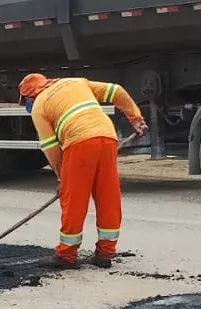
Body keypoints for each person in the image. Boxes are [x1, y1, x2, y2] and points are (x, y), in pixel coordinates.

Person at [18, 72, 149, 270]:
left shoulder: (39, 106)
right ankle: (105, 254)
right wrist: (135, 118)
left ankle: (66, 255)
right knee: (108, 196)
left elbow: (50, 147)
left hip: (79, 141)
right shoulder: (77, 82)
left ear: (29, 96)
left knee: (74, 200)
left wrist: (62, 178)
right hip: (107, 136)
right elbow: (117, 91)